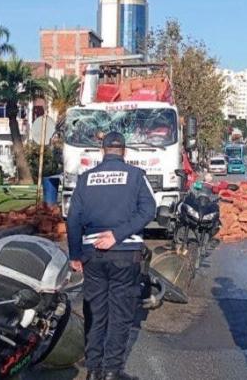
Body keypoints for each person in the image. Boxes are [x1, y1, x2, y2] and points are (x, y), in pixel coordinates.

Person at [67, 132, 156, 380]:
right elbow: (149, 209)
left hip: (92, 254)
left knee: (95, 312)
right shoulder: (136, 176)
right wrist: (118, 234)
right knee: (120, 314)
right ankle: (111, 371)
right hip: (125, 255)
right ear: (124, 151)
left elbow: (73, 218)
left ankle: (93, 370)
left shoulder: (86, 179)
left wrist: (74, 255)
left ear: (102, 150)